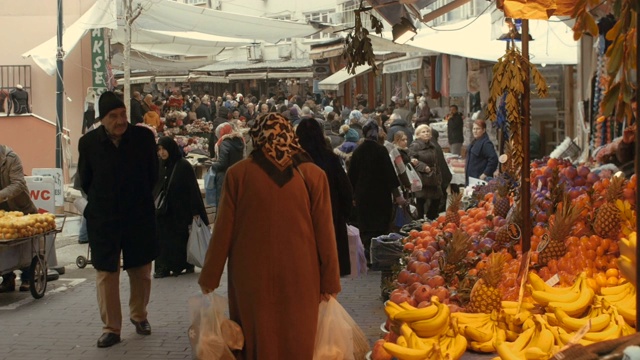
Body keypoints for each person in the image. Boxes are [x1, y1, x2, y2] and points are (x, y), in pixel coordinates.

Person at [198, 113, 341, 359]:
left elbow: (222, 231)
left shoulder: (238, 174)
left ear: (256, 137)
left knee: (255, 338)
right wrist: (330, 281)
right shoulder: (313, 175)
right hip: (301, 276)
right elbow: (325, 233)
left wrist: (210, 277)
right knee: (298, 337)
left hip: (250, 277)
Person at [78, 91, 159, 348]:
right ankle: (111, 328)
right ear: (102, 119)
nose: (120, 120)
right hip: (104, 218)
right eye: (113, 116)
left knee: (142, 270)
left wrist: (141, 199)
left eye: (123, 114)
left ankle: (139, 315)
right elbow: (86, 180)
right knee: (106, 273)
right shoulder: (89, 143)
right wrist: (103, 201)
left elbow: (153, 175)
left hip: (138, 215)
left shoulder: (143, 138)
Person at [296, 118, 353, 276]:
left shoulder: (292, 161)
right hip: (331, 216)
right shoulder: (330, 158)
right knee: (328, 267)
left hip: (302, 221)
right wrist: (345, 214)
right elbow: (345, 189)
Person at [348, 121, 404, 263]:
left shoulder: (358, 152)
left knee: (366, 227)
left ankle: (368, 254)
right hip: (381, 197)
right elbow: (390, 175)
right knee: (381, 227)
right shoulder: (381, 150)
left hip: (363, 197)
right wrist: (397, 196)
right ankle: (379, 256)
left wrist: (352, 196)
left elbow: (351, 177)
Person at [153, 137, 208, 278]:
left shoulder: (183, 166)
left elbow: (192, 189)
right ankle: (163, 267)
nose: (162, 152)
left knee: (179, 239)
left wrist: (195, 211)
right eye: (159, 150)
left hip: (180, 211)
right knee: (162, 240)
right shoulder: (159, 165)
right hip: (163, 211)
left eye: (164, 149)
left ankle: (181, 265)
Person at [0, 144, 37, 293]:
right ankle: (7, 278)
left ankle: (27, 277)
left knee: (25, 245)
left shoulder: (11, 159)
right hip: (2, 212)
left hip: (20, 209)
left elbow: (19, 184)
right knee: (4, 245)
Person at [409, 125, 446, 220]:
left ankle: (430, 218)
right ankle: (419, 222)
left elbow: (436, 162)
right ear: (417, 135)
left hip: (433, 177)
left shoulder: (432, 146)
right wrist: (423, 167)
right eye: (423, 132)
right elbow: (411, 159)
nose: (426, 133)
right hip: (422, 177)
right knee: (421, 200)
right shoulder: (415, 145)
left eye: (427, 131)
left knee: (437, 198)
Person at [210, 123, 245, 209]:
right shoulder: (240, 141)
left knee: (222, 204)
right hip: (237, 175)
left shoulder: (224, 143)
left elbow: (223, 163)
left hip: (224, 176)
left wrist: (213, 166)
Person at [465, 119, 498, 185]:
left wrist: (485, 174)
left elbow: (493, 159)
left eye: (478, 129)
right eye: (474, 129)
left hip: (479, 181)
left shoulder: (486, 143)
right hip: (471, 179)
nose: (475, 131)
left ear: (483, 130)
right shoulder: (474, 141)